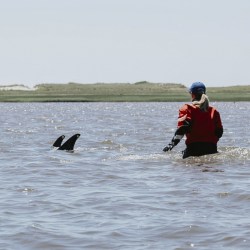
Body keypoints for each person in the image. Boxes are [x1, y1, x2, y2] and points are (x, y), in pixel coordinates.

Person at [163, 82, 223, 158]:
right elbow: (219, 132)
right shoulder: (214, 111)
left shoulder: (187, 109)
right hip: (212, 149)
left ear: (192, 94)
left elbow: (182, 129)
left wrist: (171, 145)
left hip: (193, 149)